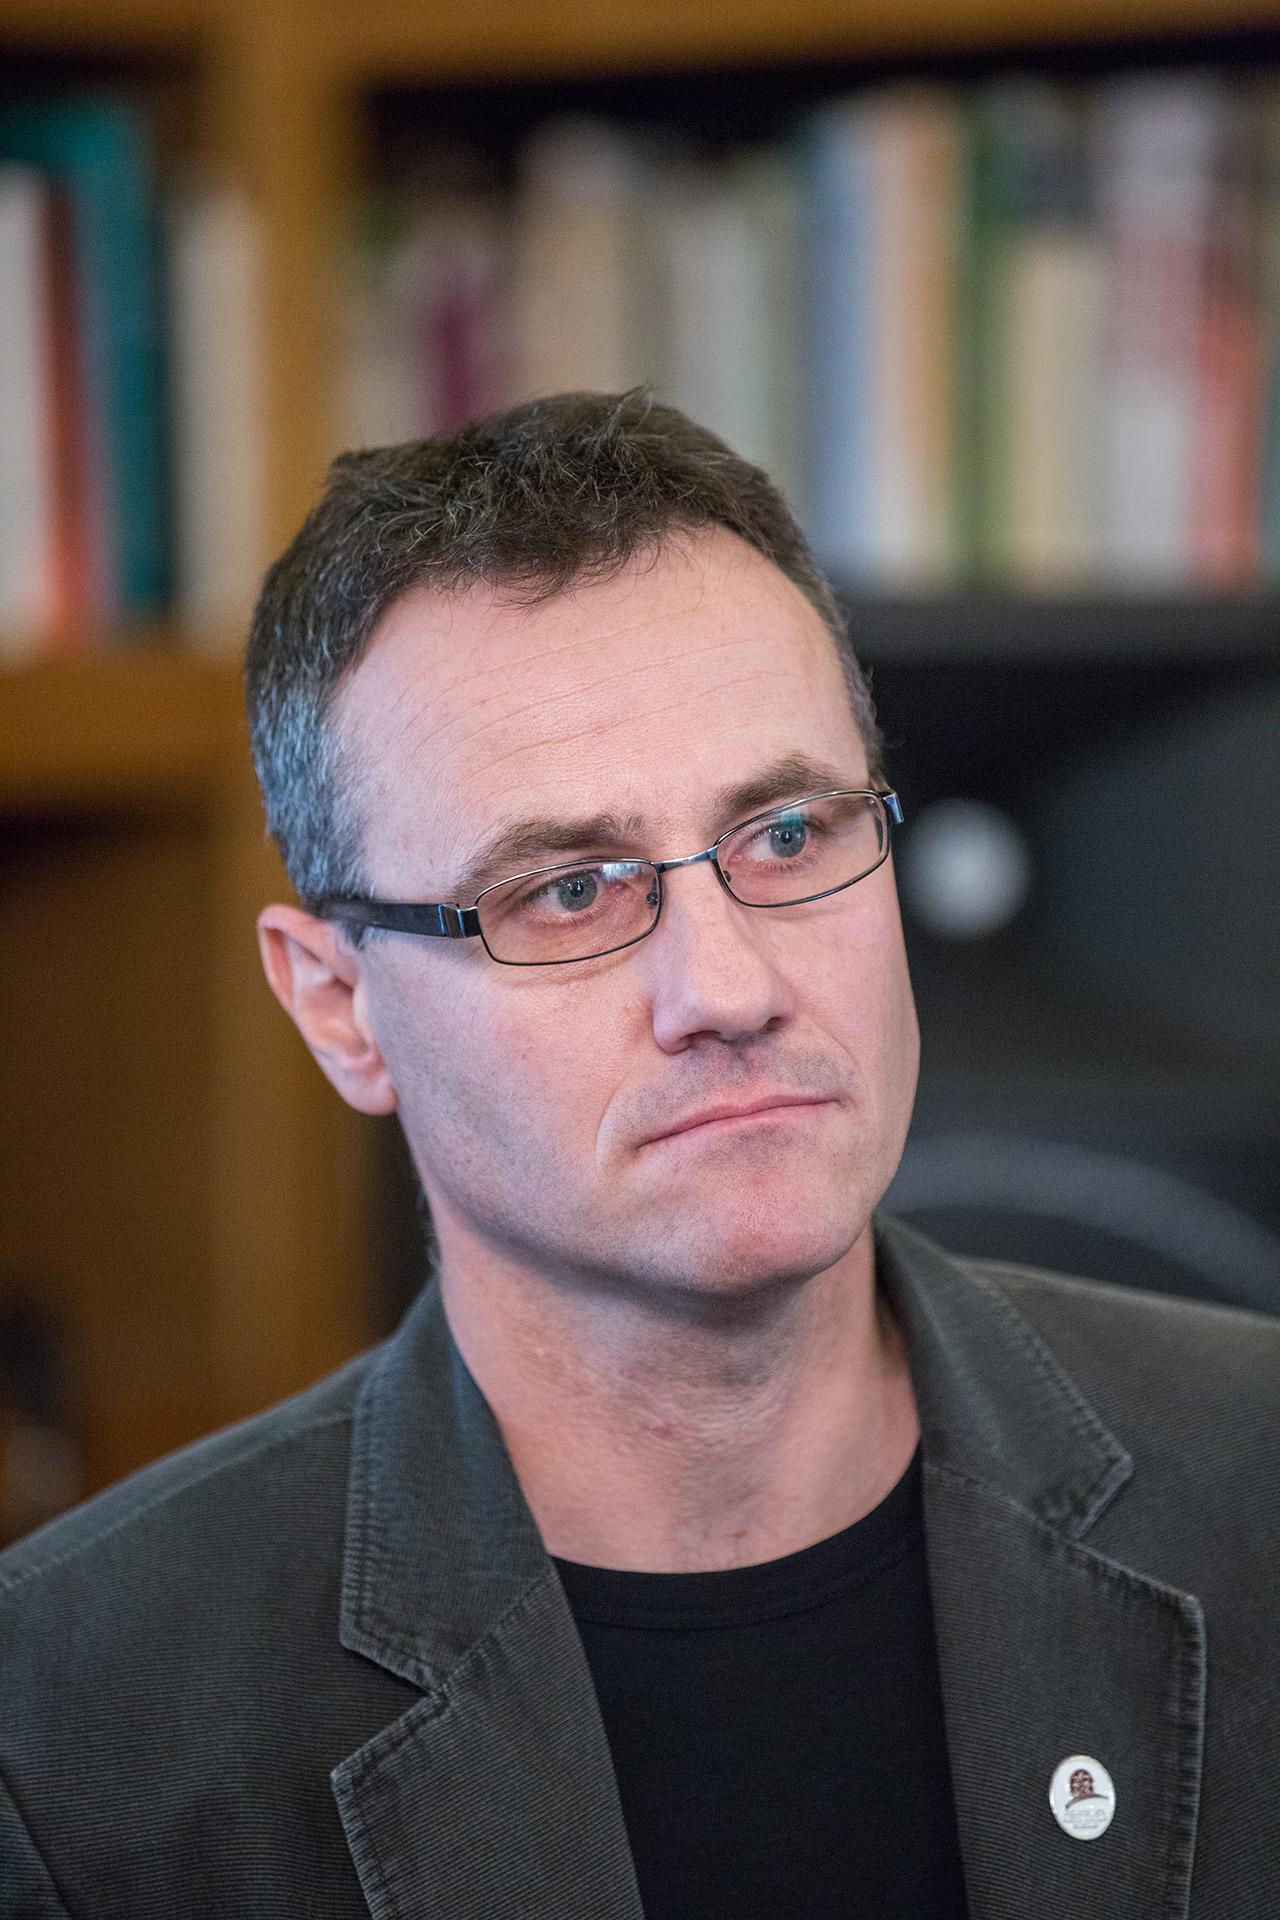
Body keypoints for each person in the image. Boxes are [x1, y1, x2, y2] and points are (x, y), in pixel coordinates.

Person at [0, 393, 1275, 1920]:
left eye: (787, 835)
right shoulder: (66, 1731)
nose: (728, 989)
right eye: (569, 891)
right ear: (341, 1008)